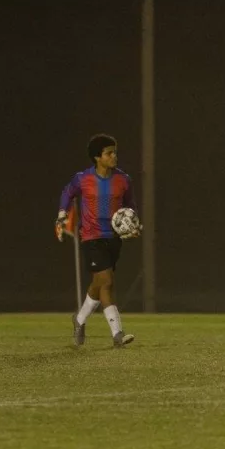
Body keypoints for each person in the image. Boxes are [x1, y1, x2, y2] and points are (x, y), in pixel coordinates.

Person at [56, 134, 140, 348]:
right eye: (109, 153)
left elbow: (130, 207)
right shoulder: (82, 179)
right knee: (107, 282)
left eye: (115, 152)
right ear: (97, 157)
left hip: (113, 238)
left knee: (98, 284)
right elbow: (67, 193)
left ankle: (79, 319)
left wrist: (133, 226)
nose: (114, 156)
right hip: (91, 237)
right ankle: (118, 334)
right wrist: (62, 214)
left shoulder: (124, 180)